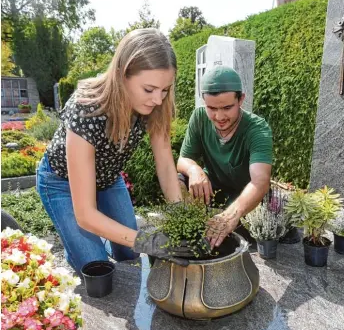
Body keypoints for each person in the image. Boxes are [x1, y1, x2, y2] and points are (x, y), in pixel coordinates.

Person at [37, 28, 190, 276]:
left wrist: (181, 220)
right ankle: (78, 246)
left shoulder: (157, 104)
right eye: (149, 89)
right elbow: (85, 214)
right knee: (98, 266)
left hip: (108, 179)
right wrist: (148, 241)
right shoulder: (85, 108)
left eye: (165, 90)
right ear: (121, 74)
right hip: (61, 183)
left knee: (129, 253)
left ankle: (98, 238)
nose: (158, 100)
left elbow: (164, 165)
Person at [177, 65, 273, 249]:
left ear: (241, 99)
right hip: (212, 191)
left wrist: (229, 216)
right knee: (180, 179)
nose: (219, 116)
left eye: (227, 107)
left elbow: (260, 182)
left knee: (238, 241)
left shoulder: (258, 130)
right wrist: (194, 170)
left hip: (244, 200)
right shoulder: (198, 118)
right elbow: (183, 160)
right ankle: (189, 230)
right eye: (211, 108)